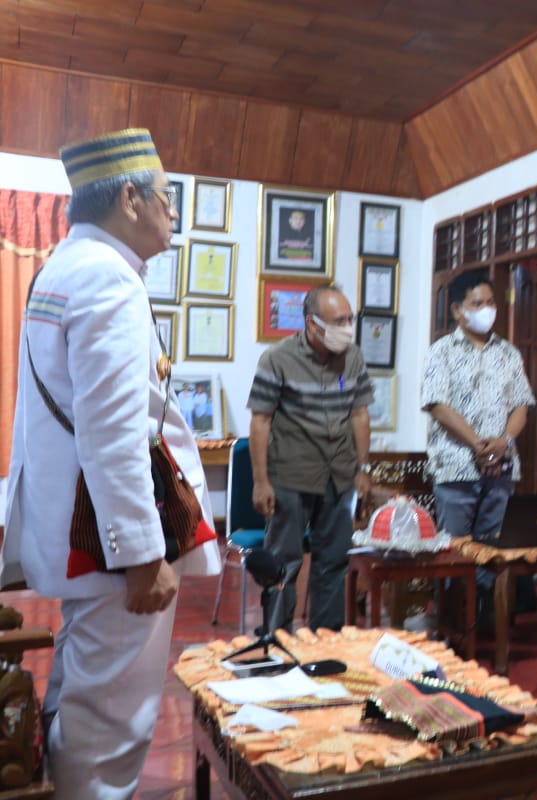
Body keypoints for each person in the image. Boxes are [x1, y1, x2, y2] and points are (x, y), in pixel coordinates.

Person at [1, 128, 222, 799]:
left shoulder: (65, 267)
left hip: (77, 531)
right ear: (129, 198)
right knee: (111, 722)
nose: (173, 211)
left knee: (82, 693)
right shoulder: (108, 279)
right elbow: (114, 430)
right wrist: (140, 555)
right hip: (105, 545)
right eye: (165, 196)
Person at [247, 285, 373, 633]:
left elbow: (360, 415)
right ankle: (277, 638)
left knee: (333, 563)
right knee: (283, 564)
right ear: (312, 324)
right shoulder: (277, 359)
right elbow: (260, 421)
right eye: (338, 321)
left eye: (349, 319)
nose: (347, 328)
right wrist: (260, 481)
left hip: (340, 477)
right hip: (291, 476)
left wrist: (363, 469)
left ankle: (325, 640)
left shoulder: (353, 358)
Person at [421, 269, 535, 542]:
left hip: (501, 471)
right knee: (455, 552)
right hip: (456, 469)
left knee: (494, 551)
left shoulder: (508, 353)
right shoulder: (441, 351)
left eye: (491, 302)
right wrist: (479, 446)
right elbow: (438, 406)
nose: (487, 310)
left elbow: (521, 404)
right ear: (457, 310)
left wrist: (504, 442)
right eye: (477, 303)